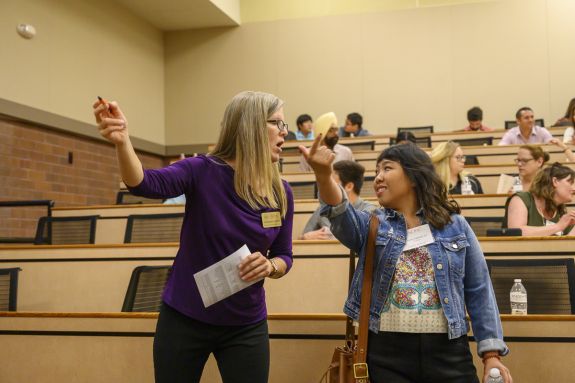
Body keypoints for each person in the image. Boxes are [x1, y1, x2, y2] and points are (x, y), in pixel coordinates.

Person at [93, 91, 294, 383]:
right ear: (250, 125)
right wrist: (123, 142)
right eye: (278, 123)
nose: (285, 133)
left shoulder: (281, 192)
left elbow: (284, 254)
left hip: (246, 324)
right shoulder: (202, 170)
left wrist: (271, 266)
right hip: (185, 318)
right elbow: (143, 183)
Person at [300, 139, 511, 383]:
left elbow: (479, 289)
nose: (378, 177)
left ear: (413, 176)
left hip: (449, 352)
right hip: (385, 354)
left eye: (387, 168)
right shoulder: (371, 225)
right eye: (376, 170)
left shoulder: (455, 226)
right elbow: (337, 210)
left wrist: (491, 354)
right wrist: (324, 175)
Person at [300, 161, 376, 240]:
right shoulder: (323, 208)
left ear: (349, 186)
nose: (328, 188)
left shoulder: (368, 210)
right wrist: (306, 237)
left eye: (332, 184)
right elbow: (301, 238)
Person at [504, 163, 575, 236]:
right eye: (571, 182)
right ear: (555, 181)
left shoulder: (561, 210)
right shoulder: (521, 199)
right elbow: (516, 231)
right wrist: (558, 226)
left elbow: (566, 243)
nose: (574, 188)